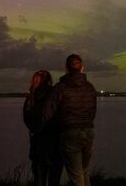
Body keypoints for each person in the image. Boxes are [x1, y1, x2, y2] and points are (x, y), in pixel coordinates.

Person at [41, 54, 97, 186]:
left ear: (66, 69)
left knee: (76, 176)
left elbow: (47, 113)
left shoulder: (60, 88)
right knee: (84, 172)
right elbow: (93, 111)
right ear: (82, 68)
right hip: (88, 131)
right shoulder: (90, 87)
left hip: (70, 133)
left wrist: (41, 130)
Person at [23, 70, 63, 186]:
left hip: (37, 141)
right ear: (50, 80)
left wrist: (35, 129)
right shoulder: (55, 95)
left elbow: (26, 118)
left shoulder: (31, 97)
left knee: (39, 176)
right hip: (55, 140)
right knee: (54, 178)